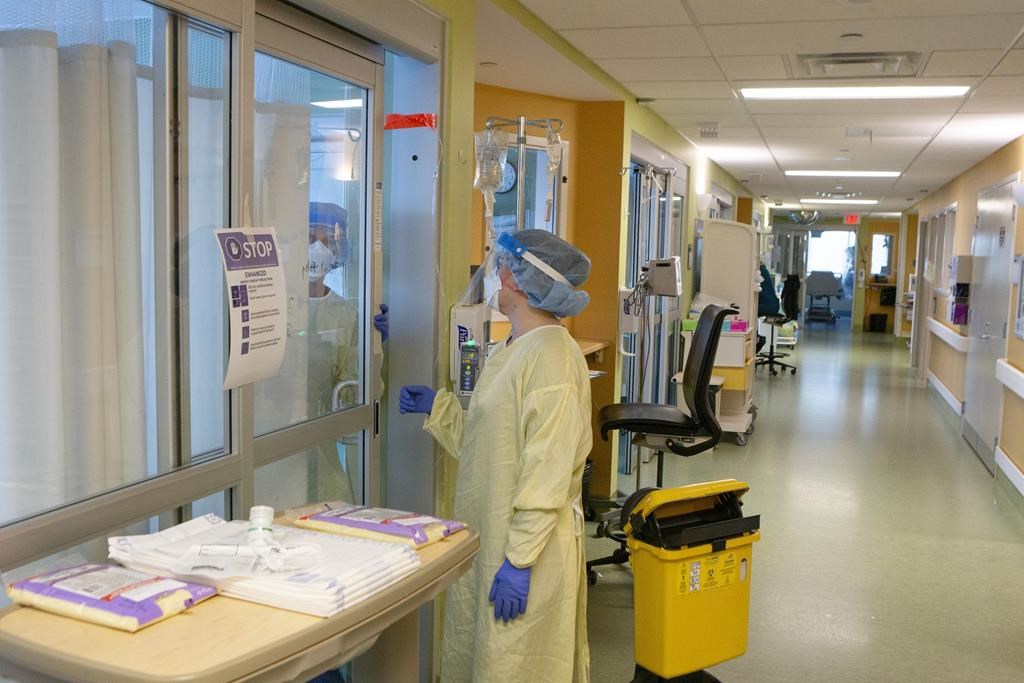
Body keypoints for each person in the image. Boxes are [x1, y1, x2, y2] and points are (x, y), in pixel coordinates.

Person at [400, 230, 593, 683]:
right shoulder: (514, 347)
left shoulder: (553, 358)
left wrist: (520, 562)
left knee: (515, 665)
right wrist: (440, 408)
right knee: (484, 659)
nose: (496, 274)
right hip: (494, 539)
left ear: (522, 284)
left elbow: (546, 470)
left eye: (504, 267)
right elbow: (492, 445)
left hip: (529, 554)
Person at [306, 202, 388, 503]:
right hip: (273, 445)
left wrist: (374, 350)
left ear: (338, 250)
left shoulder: (344, 313)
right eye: (310, 239)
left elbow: (356, 393)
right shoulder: (276, 309)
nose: (318, 249)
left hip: (322, 447)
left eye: (327, 241)